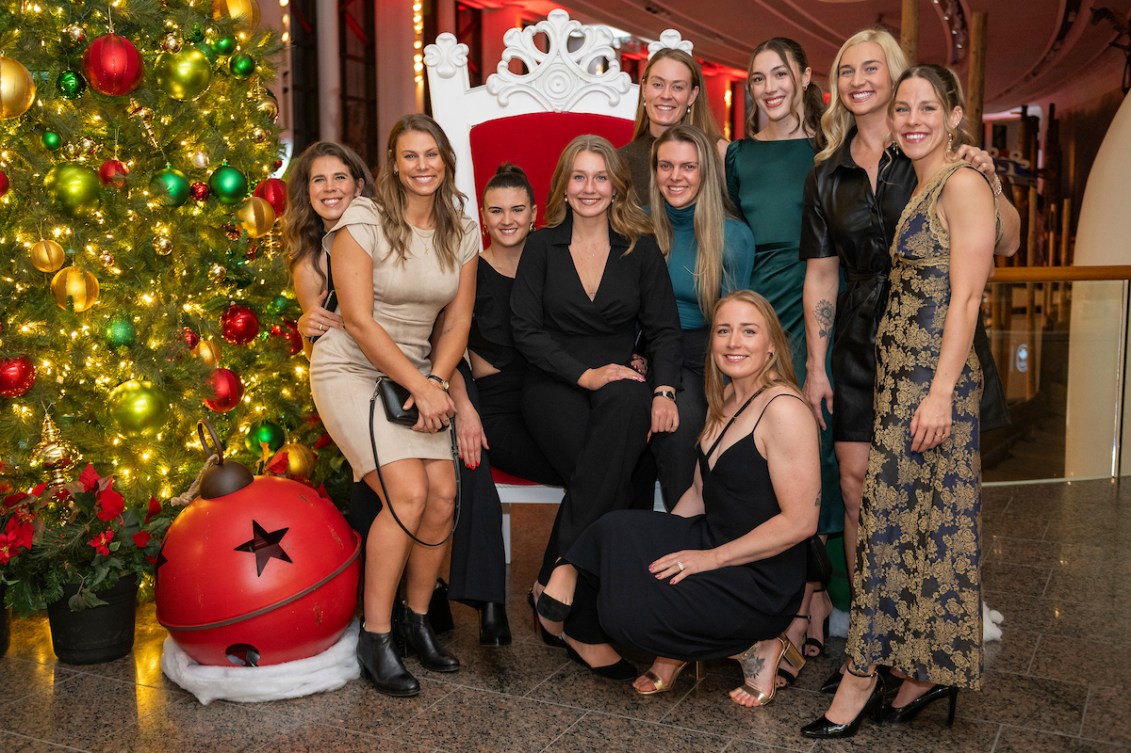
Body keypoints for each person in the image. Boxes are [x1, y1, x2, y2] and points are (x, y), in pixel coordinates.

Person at [800, 29, 1019, 692]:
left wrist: (986, 175)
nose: (858, 79)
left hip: (928, 353)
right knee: (856, 487)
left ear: (900, 83)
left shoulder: (928, 154)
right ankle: (879, 627)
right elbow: (819, 277)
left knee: (920, 501)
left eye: (872, 68)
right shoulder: (827, 171)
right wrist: (815, 365)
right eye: (846, 69)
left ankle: (902, 648)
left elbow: (998, 245)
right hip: (859, 351)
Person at [535, 290, 819, 706]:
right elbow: (700, 494)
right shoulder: (726, 398)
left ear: (772, 345)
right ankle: (566, 568)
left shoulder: (785, 409)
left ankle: (755, 646)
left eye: (748, 331)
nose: (733, 342)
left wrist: (708, 558)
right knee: (616, 527)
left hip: (760, 576)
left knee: (624, 614)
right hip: (714, 538)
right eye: (723, 331)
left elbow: (801, 524)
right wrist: (659, 539)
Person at [307, 115, 479, 697]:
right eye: (410, 156)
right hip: (353, 365)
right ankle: (374, 638)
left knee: (443, 496)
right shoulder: (364, 218)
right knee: (406, 494)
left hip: (419, 372)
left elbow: (457, 319)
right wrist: (424, 386)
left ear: (445, 159)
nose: (422, 165)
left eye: (431, 154)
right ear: (392, 163)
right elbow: (355, 318)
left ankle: (416, 620)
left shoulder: (462, 229)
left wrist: (434, 380)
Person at [511, 134, 682, 638]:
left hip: (619, 387)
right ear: (564, 186)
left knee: (631, 397)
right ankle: (592, 623)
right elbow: (525, 330)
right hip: (551, 384)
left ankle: (559, 574)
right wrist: (585, 374)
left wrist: (665, 390)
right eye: (579, 177)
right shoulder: (541, 245)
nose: (590, 188)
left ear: (616, 187)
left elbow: (665, 330)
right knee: (621, 477)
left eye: (600, 177)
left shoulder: (640, 247)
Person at [724, 38, 843, 673]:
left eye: (779, 74)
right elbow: (729, 238)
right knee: (767, 456)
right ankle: (787, 602)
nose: (768, 87)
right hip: (758, 310)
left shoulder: (829, 151)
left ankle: (809, 603)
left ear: (802, 76)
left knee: (816, 447)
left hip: (818, 302)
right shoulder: (735, 156)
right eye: (757, 77)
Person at [446, 164, 561, 646]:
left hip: (549, 395)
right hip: (491, 402)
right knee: (474, 463)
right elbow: (443, 349)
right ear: (483, 218)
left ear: (534, 214)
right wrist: (465, 409)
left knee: (600, 467)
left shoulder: (554, 263)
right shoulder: (468, 270)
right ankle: (491, 604)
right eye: (496, 210)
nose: (507, 219)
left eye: (517, 209)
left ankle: (555, 586)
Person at [641, 124, 755, 510]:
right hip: (649, 352)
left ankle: (696, 543)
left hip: (707, 354)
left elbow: (735, 326)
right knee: (656, 425)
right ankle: (659, 541)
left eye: (688, 167)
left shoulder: (732, 235)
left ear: (705, 172)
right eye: (666, 166)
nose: (676, 177)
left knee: (696, 428)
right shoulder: (637, 227)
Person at [619, 48, 727, 206]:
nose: (666, 95)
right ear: (644, 88)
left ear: (692, 95)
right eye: (657, 84)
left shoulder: (718, 152)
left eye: (678, 87)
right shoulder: (621, 161)